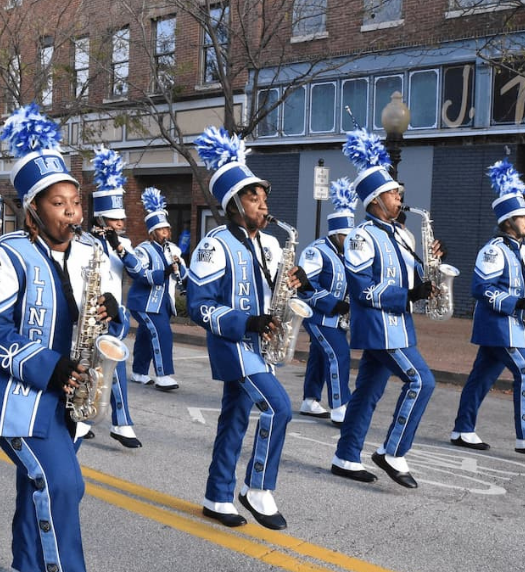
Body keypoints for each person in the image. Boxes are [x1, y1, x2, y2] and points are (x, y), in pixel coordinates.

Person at [0, 104, 120, 572]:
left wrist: (111, 310)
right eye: (59, 204)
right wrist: (48, 366)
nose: (72, 213)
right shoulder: (4, 254)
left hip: (69, 397)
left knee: (35, 483)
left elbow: (104, 313)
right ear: (32, 208)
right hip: (18, 399)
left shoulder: (89, 252)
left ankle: (24, 567)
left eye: (75, 202)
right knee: (61, 483)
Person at [188, 127, 309, 531]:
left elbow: (275, 290)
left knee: (235, 420)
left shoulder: (271, 244)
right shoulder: (214, 243)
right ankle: (256, 487)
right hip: (234, 345)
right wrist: (248, 322)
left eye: (263, 197)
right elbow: (197, 305)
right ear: (234, 204)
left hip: (261, 345)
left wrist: (297, 281)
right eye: (253, 197)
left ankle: (216, 495)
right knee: (279, 407)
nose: (263, 204)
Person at [331, 129, 442, 489]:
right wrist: (410, 294)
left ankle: (345, 457)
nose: (400, 196)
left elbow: (414, 279)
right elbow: (363, 290)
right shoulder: (362, 236)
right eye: (394, 192)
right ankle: (392, 451)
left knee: (366, 394)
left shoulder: (402, 234)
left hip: (399, 326)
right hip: (380, 327)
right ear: (376, 199)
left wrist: (434, 267)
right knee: (421, 380)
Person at [450, 159, 525, 457]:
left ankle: (462, 429)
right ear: (508, 219)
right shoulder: (492, 251)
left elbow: (520, 283)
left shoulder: (523, 251)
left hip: (514, 326)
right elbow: (480, 289)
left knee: (481, 378)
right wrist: (516, 302)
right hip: (499, 326)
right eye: (524, 216)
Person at [88, 146, 143, 448]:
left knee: (114, 365)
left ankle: (119, 423)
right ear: (102, 219)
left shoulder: (124, 243)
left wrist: (119, 247)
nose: (121, 223)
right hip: (90, 312)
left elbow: (140, 273)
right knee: (87, 365)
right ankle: (86, 418)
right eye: (114, 219)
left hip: (116, 313)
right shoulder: (83, 241)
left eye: (121, 220)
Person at [297, 178, 357, 428]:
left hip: (337, 318)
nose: (351, 239)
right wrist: (333, 304)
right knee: (339, 354)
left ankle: (310, 400)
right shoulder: (316, 251)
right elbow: (305, 285)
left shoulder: (348, 252)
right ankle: (340, 406)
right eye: (347, 235)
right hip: (319, 317)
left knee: (320, 356)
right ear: (336, 233)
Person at [127, 186, 185, 393]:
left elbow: (183, 274)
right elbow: (140, 274)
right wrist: (167, 271)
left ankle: (139, 372)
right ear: (152, 232)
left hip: (162, 303)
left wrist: (180, 268)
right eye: (161, 230)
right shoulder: (143, 249)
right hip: (144, 301)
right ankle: (163, 375)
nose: (165, 233)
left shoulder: (174, 249)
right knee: (162, 333)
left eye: (167, 230)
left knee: (145, 335)